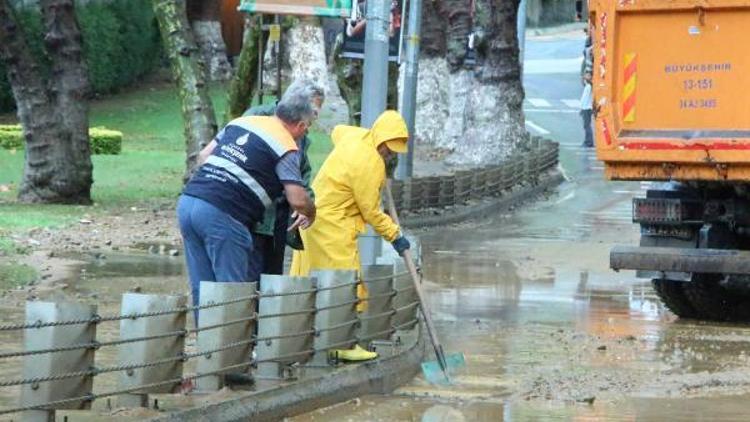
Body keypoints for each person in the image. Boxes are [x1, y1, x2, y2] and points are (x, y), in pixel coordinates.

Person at [177, 79, 320, 318]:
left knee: (202, 286)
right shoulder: (286, 145)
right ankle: (232, 352)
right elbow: (297, 200)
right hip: (223, 213)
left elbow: (203, 157)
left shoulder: (243, 122)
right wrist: (311, 211)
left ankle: (208, 348)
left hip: (190, 202)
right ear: (302, 126)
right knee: (232, 292)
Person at [290, 110, 411, 361]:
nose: (390, 153)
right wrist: (395, 235)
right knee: (347, 283)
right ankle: (342, 344)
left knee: (307, 280)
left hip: (312, 216)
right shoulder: (370, 164)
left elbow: (337, 131)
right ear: (381, 139)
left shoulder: (355, 137)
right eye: (389, 148)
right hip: (333, 226)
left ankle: (299, 339)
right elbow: (370, 212)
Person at [243, 87, 323, 275]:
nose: (314, 119)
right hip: (253, 214)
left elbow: (302, 172)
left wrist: (304, 206)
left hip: (279, 218)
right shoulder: (258, 116)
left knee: (271, 276)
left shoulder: (301, 131)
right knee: (248, 276)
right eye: (314, 111)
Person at [580, 35, 594, 148]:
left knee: (586, 123)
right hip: (587, 101)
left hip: (588, 103)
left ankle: (589, 141)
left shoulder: (590, 53)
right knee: (586, 123)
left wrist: (586, 77)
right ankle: (588, 141)